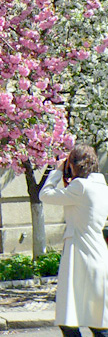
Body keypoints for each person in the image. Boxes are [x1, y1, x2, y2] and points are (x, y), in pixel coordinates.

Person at [40, 144, 108, 337]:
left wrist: (57, 171)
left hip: (79, 253)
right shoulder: (102, 188)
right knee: (97, 319)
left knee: (69, 318)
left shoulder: (80, 187)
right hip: (98, 254)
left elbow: (45, 195)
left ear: (74, 164)